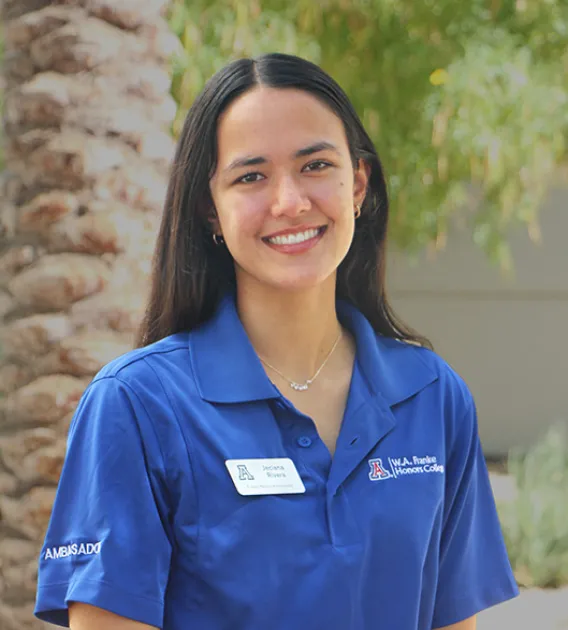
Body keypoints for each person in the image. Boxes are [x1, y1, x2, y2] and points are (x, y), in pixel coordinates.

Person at [34, 53, 518, 630]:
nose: (289, 201)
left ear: (358, 185)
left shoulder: (433, 398)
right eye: (251, 176)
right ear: (209, 209)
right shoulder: (136, 405)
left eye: (315, 165)